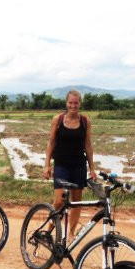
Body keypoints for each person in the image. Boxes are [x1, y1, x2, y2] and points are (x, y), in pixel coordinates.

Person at [43, 90, 96, 235]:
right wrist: (47, 165)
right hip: (61, 165)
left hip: (78, 166)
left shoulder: (85, 121)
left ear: (80, 104)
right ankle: (49, 231)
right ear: (66, 103)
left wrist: (92, 169)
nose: (73, 105)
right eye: (71, 102)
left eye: (76, 103)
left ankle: (71, 234)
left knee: (76, 201)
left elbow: (88, 146)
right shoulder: (58, 120)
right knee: (59, 201)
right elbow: (51, 142)